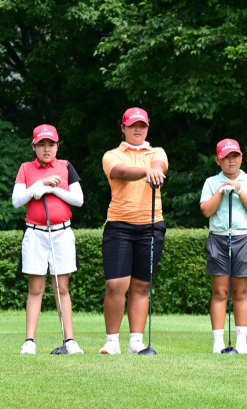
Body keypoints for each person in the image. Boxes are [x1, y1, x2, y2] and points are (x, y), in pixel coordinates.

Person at [99, 107, 168, 354]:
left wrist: (153, 169)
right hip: (119, 226)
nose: (138, 130)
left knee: (141, 286)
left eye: (142, 126)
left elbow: (160, 165)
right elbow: (121, 173)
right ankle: (111, 341)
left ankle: (136, 342)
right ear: (123, 128)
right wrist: (145, 172)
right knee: (116, 285)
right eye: (132, 126)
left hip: (151, 226)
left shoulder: (156, 152)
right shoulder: (112, 155)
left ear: (147, 127)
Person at [13, 124, 84, 355]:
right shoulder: (25, 168)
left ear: (57, 146)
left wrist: (52, 190)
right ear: (34, 146)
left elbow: (78, 200)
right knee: (36, 288)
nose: (46, 149)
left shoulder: (66, 167)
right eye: (41, 144)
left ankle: (70, 340)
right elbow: (17, 201)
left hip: (62, 232)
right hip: (35, 233)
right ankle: (30, 342)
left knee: (62, 287)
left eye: (50, 144)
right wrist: (38, 185)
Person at [200, 139, 247, 354]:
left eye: (234, 156)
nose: (231, 160)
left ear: (241, 157)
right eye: (226, 157)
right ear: (218, 160)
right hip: (218, 238)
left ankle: (241, 341)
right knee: (219, 292)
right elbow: (206, 211)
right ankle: (218, 341)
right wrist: (221, 190)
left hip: (242, 238)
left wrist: (239, 191)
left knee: (240, 292)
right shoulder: (211, 182)